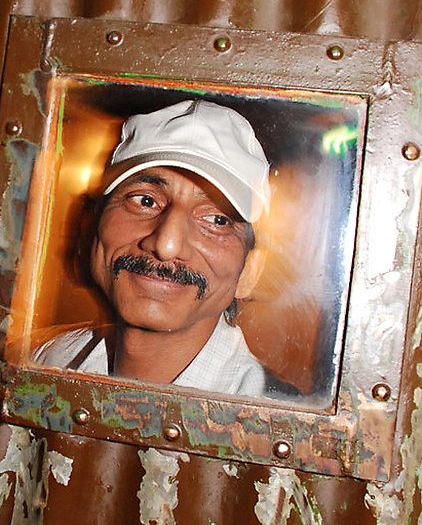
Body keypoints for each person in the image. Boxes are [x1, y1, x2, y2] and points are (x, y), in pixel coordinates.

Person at [32, 99, 270, 397]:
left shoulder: (272, 415)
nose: (166, 245)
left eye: (217, 220)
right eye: (145, 201)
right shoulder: (47, 362)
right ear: (93, 226)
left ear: (249, 272)